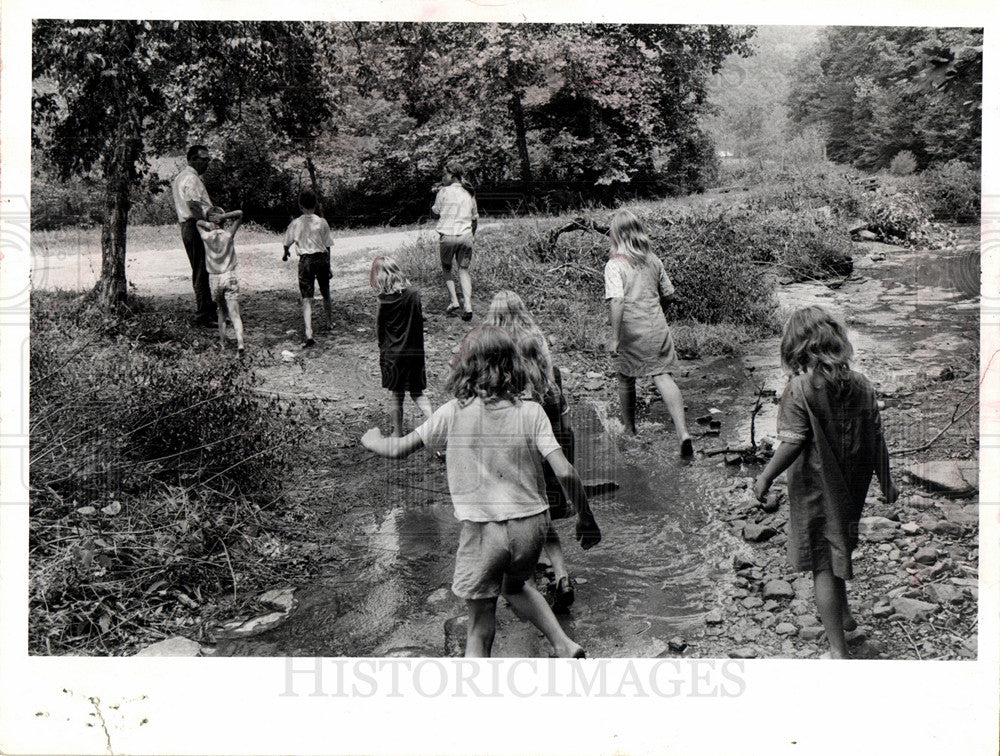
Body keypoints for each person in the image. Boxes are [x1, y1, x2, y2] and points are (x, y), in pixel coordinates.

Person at [361, 325, 601, 658]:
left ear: (467, 367)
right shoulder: (532, 411)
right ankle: (564, 644)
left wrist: (372, 439)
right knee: (513, 585)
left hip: (485, 531)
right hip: (532, 527)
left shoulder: (452, 412)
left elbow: (399, 449)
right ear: (511, 365)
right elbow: (564, 470)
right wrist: (586, 518)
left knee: (479, 623)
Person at [753, 306, 899, 659]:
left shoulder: (799, 389)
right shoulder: (862, 384)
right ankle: (845, 618)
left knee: (822, 562)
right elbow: (876, 436)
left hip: (816, 487)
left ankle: (838, 650)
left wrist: (765, 476)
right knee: (839, 546)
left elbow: (792, 442)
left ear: (797, 349)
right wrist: (886, 481)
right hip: (852, 484)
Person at [485, 289, 578, 611]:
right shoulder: (546, 369)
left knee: (519, 520)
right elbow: (564, 421)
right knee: (545, 517)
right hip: (549, 453)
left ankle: (523, 586)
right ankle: (562, 574)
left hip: (517, 460)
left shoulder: (498, 367)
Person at [604, 208, 693, 456]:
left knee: (625, 377)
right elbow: (670, 294)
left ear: (617, 235)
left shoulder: (614, 266)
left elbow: (617, 302)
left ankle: (630, 429)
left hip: (631, 330)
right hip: (657, 326)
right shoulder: (653, 260)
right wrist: (657, 311)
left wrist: (615, 337)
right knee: (663, 377)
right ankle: (683, 432)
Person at [370, 256, 433, 437]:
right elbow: (420, 321)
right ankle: (436, 425)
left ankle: (397, 434)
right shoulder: (414, 294)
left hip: (393, 354)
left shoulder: (383, 300)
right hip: (414, 352)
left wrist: (383, 351)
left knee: (397, 395)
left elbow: (380, 329)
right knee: (418, 393)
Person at [171, 144, 217, 327]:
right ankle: (203, 314)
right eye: (204, 159)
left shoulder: (184, 177)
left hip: (191, 225)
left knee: (203, 268)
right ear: (193, 160)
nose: (207, 163)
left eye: (208, 160)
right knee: (200, 269)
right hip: (194, 225)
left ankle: (208, 308)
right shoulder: (190, 178)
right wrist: (207, 222)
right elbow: (194, 206)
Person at [283, 189, 333, 347]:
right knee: (325, 291)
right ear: (316, 205)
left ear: (300, 205)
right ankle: (329, 322)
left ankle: (309, 332)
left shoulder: (296, 223)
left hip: (305, 261)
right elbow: (328, 246)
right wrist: (329, 265)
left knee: (306, 297)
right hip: (321, 259)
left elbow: (286, 242)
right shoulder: (322, 222)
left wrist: (285, 253)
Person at [431, 162, 478, 321]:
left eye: (444, 175)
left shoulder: (443, 192)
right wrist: (472, 234)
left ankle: (454, 301)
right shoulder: (469, 192)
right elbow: (474, 218)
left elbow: (436, 211)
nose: (443, 178)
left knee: (446, 267)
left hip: (448, 235)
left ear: (451, 175)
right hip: (466, 235)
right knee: (464, 270)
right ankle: (468, 306)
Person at [196, 207, 245, 355]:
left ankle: (223, 343)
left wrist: (208, 223)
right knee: (235, 313)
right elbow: (240, 214)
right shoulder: (228, 235)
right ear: (222, 220)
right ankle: (240, 343)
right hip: (229, 275)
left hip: (215, 278)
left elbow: (198, 222)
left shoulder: (206, 237)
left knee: (221, 313)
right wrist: (224, 216)